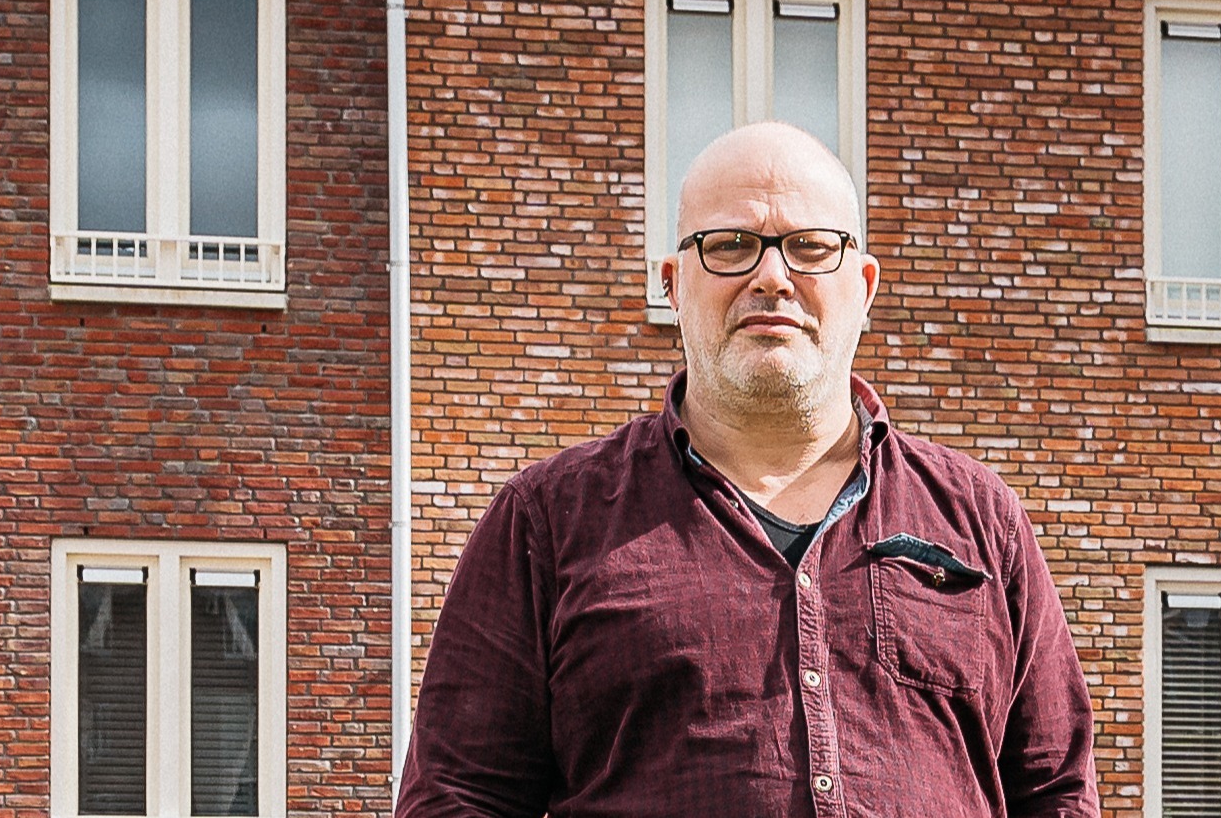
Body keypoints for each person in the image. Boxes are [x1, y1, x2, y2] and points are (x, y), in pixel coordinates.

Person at [398, 120, 1096, 818]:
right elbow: (456, 798)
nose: (771, 276)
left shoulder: (981, 520)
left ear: (864, 284)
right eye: (729, 245)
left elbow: (1057, 792)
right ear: (672, 283)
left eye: (810, 247)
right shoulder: (548, 519)